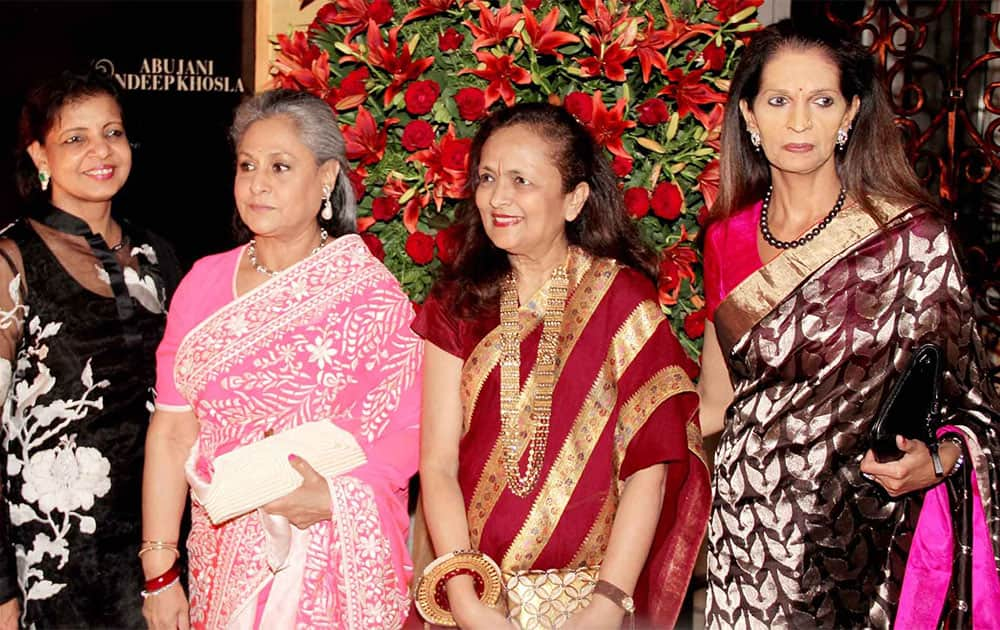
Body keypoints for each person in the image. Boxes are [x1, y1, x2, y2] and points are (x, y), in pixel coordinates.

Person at [699, 19, 1000, 628]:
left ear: (850, 113)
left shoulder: (913, 239)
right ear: (750, 117)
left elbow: (976, 406)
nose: (801, 121)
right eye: (779, 101)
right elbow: (713, 404)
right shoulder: (723, 238)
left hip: (869, 543)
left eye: (822, 100)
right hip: (749, 540)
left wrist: (937, 462)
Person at [413, 102, 709, 629]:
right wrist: (464, 596)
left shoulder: (622, 303)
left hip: (589, 605)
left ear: (574, 200)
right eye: (487, 177)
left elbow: (650, 468)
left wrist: (607, 603)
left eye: (521, 180)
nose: (498, 197)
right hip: (476, 599)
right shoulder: (456, 304)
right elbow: (437, 465)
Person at [140, 89, 421, 629]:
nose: (257, 183)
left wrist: (334, 496)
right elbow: (173, 431)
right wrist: (159, 570)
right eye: (247, 166)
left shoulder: (367, 293)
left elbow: (410, 428)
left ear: (325, 178)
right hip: (222, 561)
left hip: (328, 555)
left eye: (280, 166)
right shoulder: (202, 282)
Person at [0, 70, 181, 629]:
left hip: (160, 546)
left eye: (113, 132)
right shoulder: (12, 261)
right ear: (40, 155)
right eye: (75, 138)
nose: (101, 151)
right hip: (49, 555)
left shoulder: (159, 255)